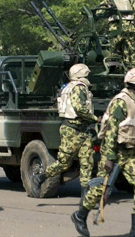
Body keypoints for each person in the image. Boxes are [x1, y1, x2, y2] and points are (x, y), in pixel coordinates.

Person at [71, 68, 135, 237]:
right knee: (99, 190)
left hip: (131, 152)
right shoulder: (121, 101)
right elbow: (111, 130)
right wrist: (109, 157)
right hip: (115, 150)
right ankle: (80, 215)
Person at [34, 64, 97, 201]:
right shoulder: (78, 87)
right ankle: (43, 176)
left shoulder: (68, 87)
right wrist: (95, 118)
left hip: (82, 129)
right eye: (86, 74)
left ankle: (85, 198)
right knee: (64, 162)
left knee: (87, 162)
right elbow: (79, 108)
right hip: (72, 130)